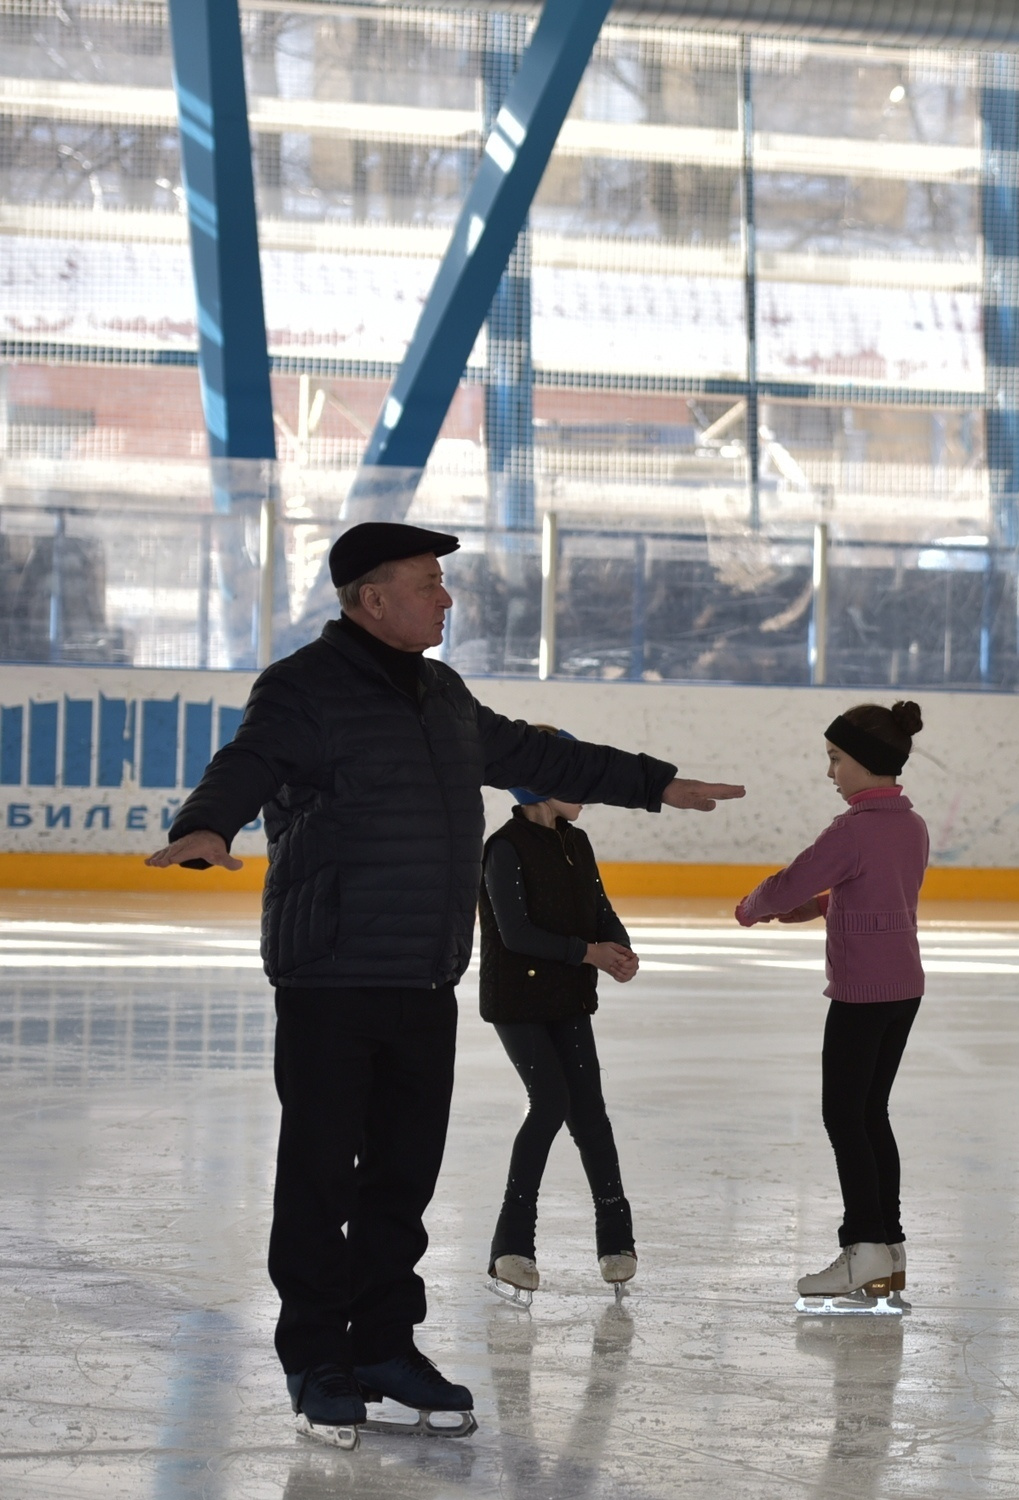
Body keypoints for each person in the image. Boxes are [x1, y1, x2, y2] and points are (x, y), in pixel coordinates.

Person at [146, 521, 743, 1448]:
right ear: (370, 597)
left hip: (425, 977)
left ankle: (385, 1346)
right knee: (319, 1178)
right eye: (427, 582)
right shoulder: (303, 688)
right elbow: (248, 762)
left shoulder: (443, 694)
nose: (446, 597)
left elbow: (544, 757)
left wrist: (653, 783)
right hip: (331, 977)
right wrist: (207, 823)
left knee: (402, 1178)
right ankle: (317, 1359)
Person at [738, 702, 931, 1314]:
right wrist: (825, 906)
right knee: (871, 1114)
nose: (830, 772)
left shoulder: (850, 830)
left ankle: (864, 1245)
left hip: (861, 993)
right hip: (903, 988)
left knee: (844, 1116)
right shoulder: (912, 825)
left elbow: (793, 879)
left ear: (866, 762)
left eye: (836, 758)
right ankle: (889, 1249)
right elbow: (883, 890)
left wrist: (753, 906)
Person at [478, 727, 642, 1304]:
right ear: (540, 784)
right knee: (550, 1102)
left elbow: (598, 907)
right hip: (518, 1000)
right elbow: (516, 932)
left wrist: (617, 946)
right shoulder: (503, 848)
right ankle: (511, 1246)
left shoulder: (577, 842)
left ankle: (616, 1240)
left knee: (589, 1111)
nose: (586, 790)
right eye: (573, 777)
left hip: (567, 996)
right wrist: (588, 953)